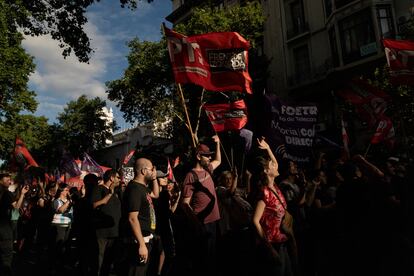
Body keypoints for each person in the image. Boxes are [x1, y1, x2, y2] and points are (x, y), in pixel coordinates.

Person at [252, 138, 293, 276]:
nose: (276, 166)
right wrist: (270, 249)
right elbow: (255, 221)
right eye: (272, 166)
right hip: (272, 244)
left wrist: (268, 148)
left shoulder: (275, 187)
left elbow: (275, 162)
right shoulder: (264, 192)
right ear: (266, 171)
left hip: (282, 242)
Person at [182, 135, 221, 276]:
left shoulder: (208, 169)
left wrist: (218, 143)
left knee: (213, 259)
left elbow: (218, 160)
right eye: (206, 156)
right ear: (198, 156)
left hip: (214, 220)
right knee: (204, 261)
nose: (210, 158)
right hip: (203, 224)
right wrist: (197, 224)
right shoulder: (190, 176)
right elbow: (185, 204)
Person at [120, 157, 159, 276]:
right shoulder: (135, 189)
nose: (153, 171)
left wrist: (155, 178)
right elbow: (132, 218)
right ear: (143, 171)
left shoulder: (143, 188)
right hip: (138, 241)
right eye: (151, 169)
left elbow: (156, 195)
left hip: (144, 238)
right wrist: (142, 245)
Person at [91, 169, 122, 276]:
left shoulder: (117, 192)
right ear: (111, 178)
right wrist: (110, 193)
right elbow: (94, 205)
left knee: (108, 262)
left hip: (115, 232)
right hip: (102, 233)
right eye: (118, 177)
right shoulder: (98, 189)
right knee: (99, 261)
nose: (120, 179)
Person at [0, 173, 29, 276]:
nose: (9, 181)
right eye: (7, 180)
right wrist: (22, 194)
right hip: (4, 227)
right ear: (1, 181)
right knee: (7, 254)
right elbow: (16, 207)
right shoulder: (7, 193)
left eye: (10, 180)